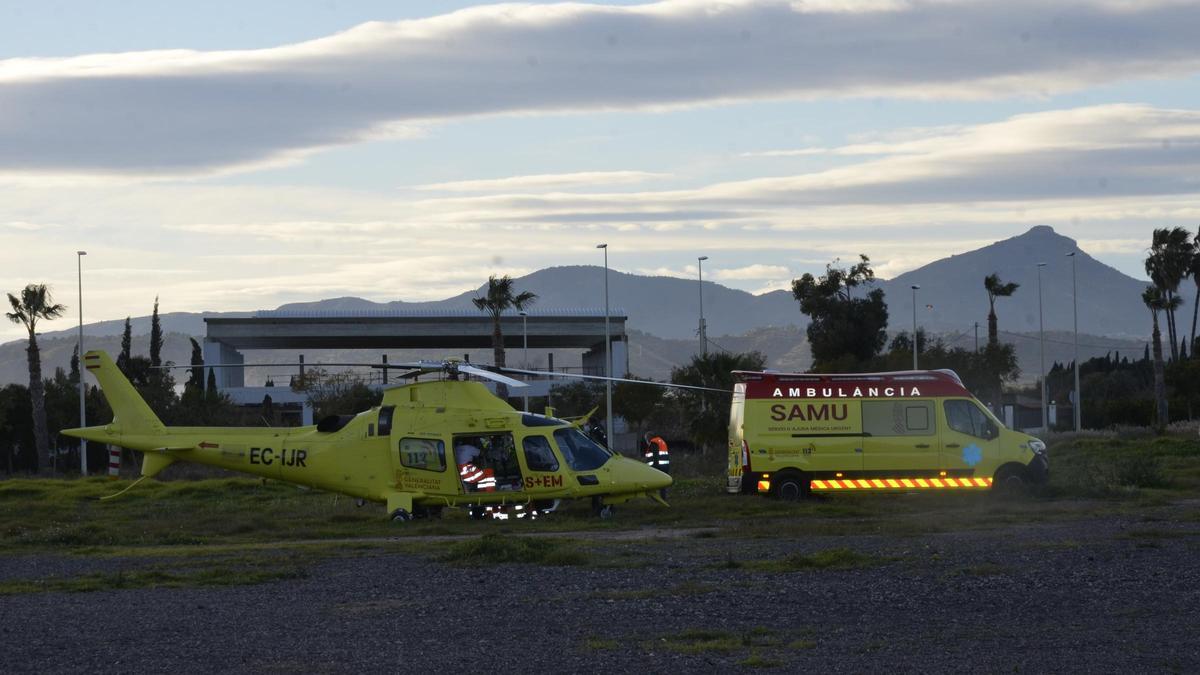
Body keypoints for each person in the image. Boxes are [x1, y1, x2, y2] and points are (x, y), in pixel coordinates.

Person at [643, 432, 670, 499]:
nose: (646, 442)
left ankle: (654, 497)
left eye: (646, 440)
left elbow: (655, 456)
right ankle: (663, 498)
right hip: (665, 466)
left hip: (657, 467)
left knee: (652, 483)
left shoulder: (653, 443)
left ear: (648, 439)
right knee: (662, 484)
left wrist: (654, 468)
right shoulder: (661, 441)